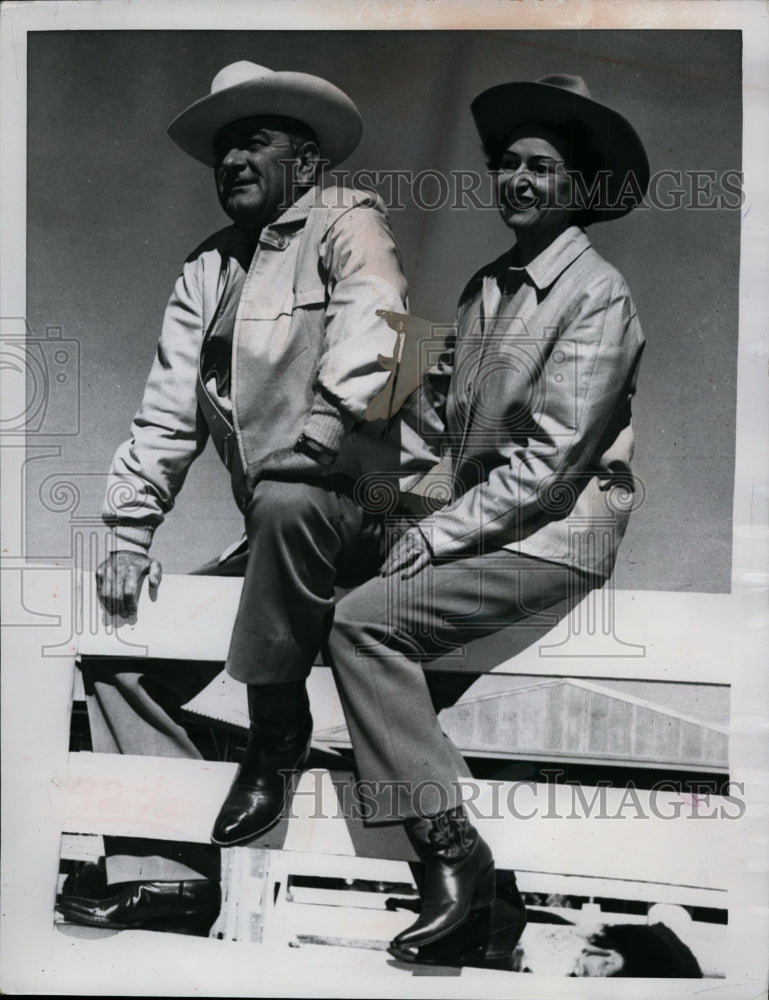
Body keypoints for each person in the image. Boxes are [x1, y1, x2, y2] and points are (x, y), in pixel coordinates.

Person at [57, 60, 439, 934]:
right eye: (222, 147)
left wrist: (326, 427)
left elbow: (377, 317)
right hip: (282, 527)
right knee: (124, 650)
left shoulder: (348, 219)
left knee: (286, 505)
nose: (231, 160)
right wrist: (127, 529)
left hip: (373, 511)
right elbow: (165, 410)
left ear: (304, 164)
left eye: (253, 141)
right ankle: (167, 876)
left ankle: (277, 735)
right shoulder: (206, 271)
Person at [326, 74, 649, 963]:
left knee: (362, 627)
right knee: (372, 704)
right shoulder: (482, 290)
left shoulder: (597, 295)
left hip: (554, 539)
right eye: (505, 163)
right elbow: (433, 433)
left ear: (579, 186)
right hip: (483, 530)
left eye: (541, 166)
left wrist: (435, 533)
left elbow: (551, 469)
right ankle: (492, 912)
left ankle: (456, 863)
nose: (517, 179)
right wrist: (390, 508)